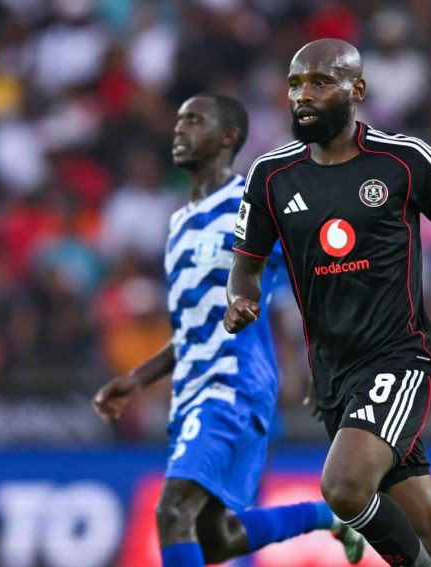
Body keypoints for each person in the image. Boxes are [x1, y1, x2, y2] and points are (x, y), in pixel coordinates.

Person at [225, 39, 431, 567]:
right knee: (430, 531)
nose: (303, 95)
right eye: (295, 84)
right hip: (332, 374)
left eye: (320, 83)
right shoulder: (270, 176)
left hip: (399, 357)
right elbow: (246, 266)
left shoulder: (403, 159)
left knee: (344, 487)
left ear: (357, 90)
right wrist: (240, 300)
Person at [92, 94, 364, 567]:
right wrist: (137, 378)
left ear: (228, 137)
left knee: (173, 511)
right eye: (179, 121)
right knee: (217, 537)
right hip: (192, 391)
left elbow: (315, 280)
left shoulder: (254, 205)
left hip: (234, 385)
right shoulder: (178, 224)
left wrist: (323, 363)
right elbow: (192, 328)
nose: (180, 130)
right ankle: (328, 517)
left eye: (195, 121)